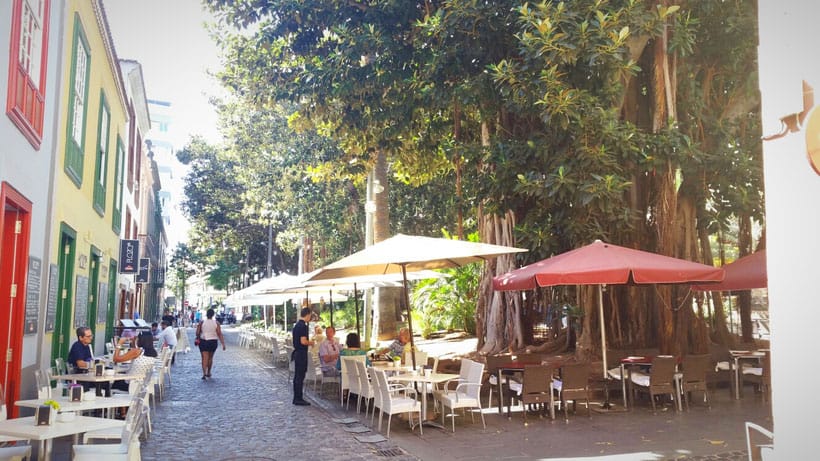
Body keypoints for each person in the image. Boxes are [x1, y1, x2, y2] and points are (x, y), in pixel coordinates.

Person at [291, 307, 315, 406]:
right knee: (300, 376)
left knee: (297, 376)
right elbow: (303, 341)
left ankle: (296, 396)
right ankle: (298, 398)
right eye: (310, 316)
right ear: (308, 315)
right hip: (301, 353)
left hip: (297, 353)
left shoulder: (296, 325)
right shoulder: (303, 326)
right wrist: (311, 343)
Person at [196, 308, 226, 380]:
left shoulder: (202, 322)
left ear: (206, 314)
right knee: (210, 358)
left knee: (204, 358)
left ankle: (204, 373)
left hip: (204, 341)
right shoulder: (216, 323)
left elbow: (197, 333)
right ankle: (209, 372)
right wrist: (223, 343)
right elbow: (219, 334)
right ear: (213, 315)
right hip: (213, 342)